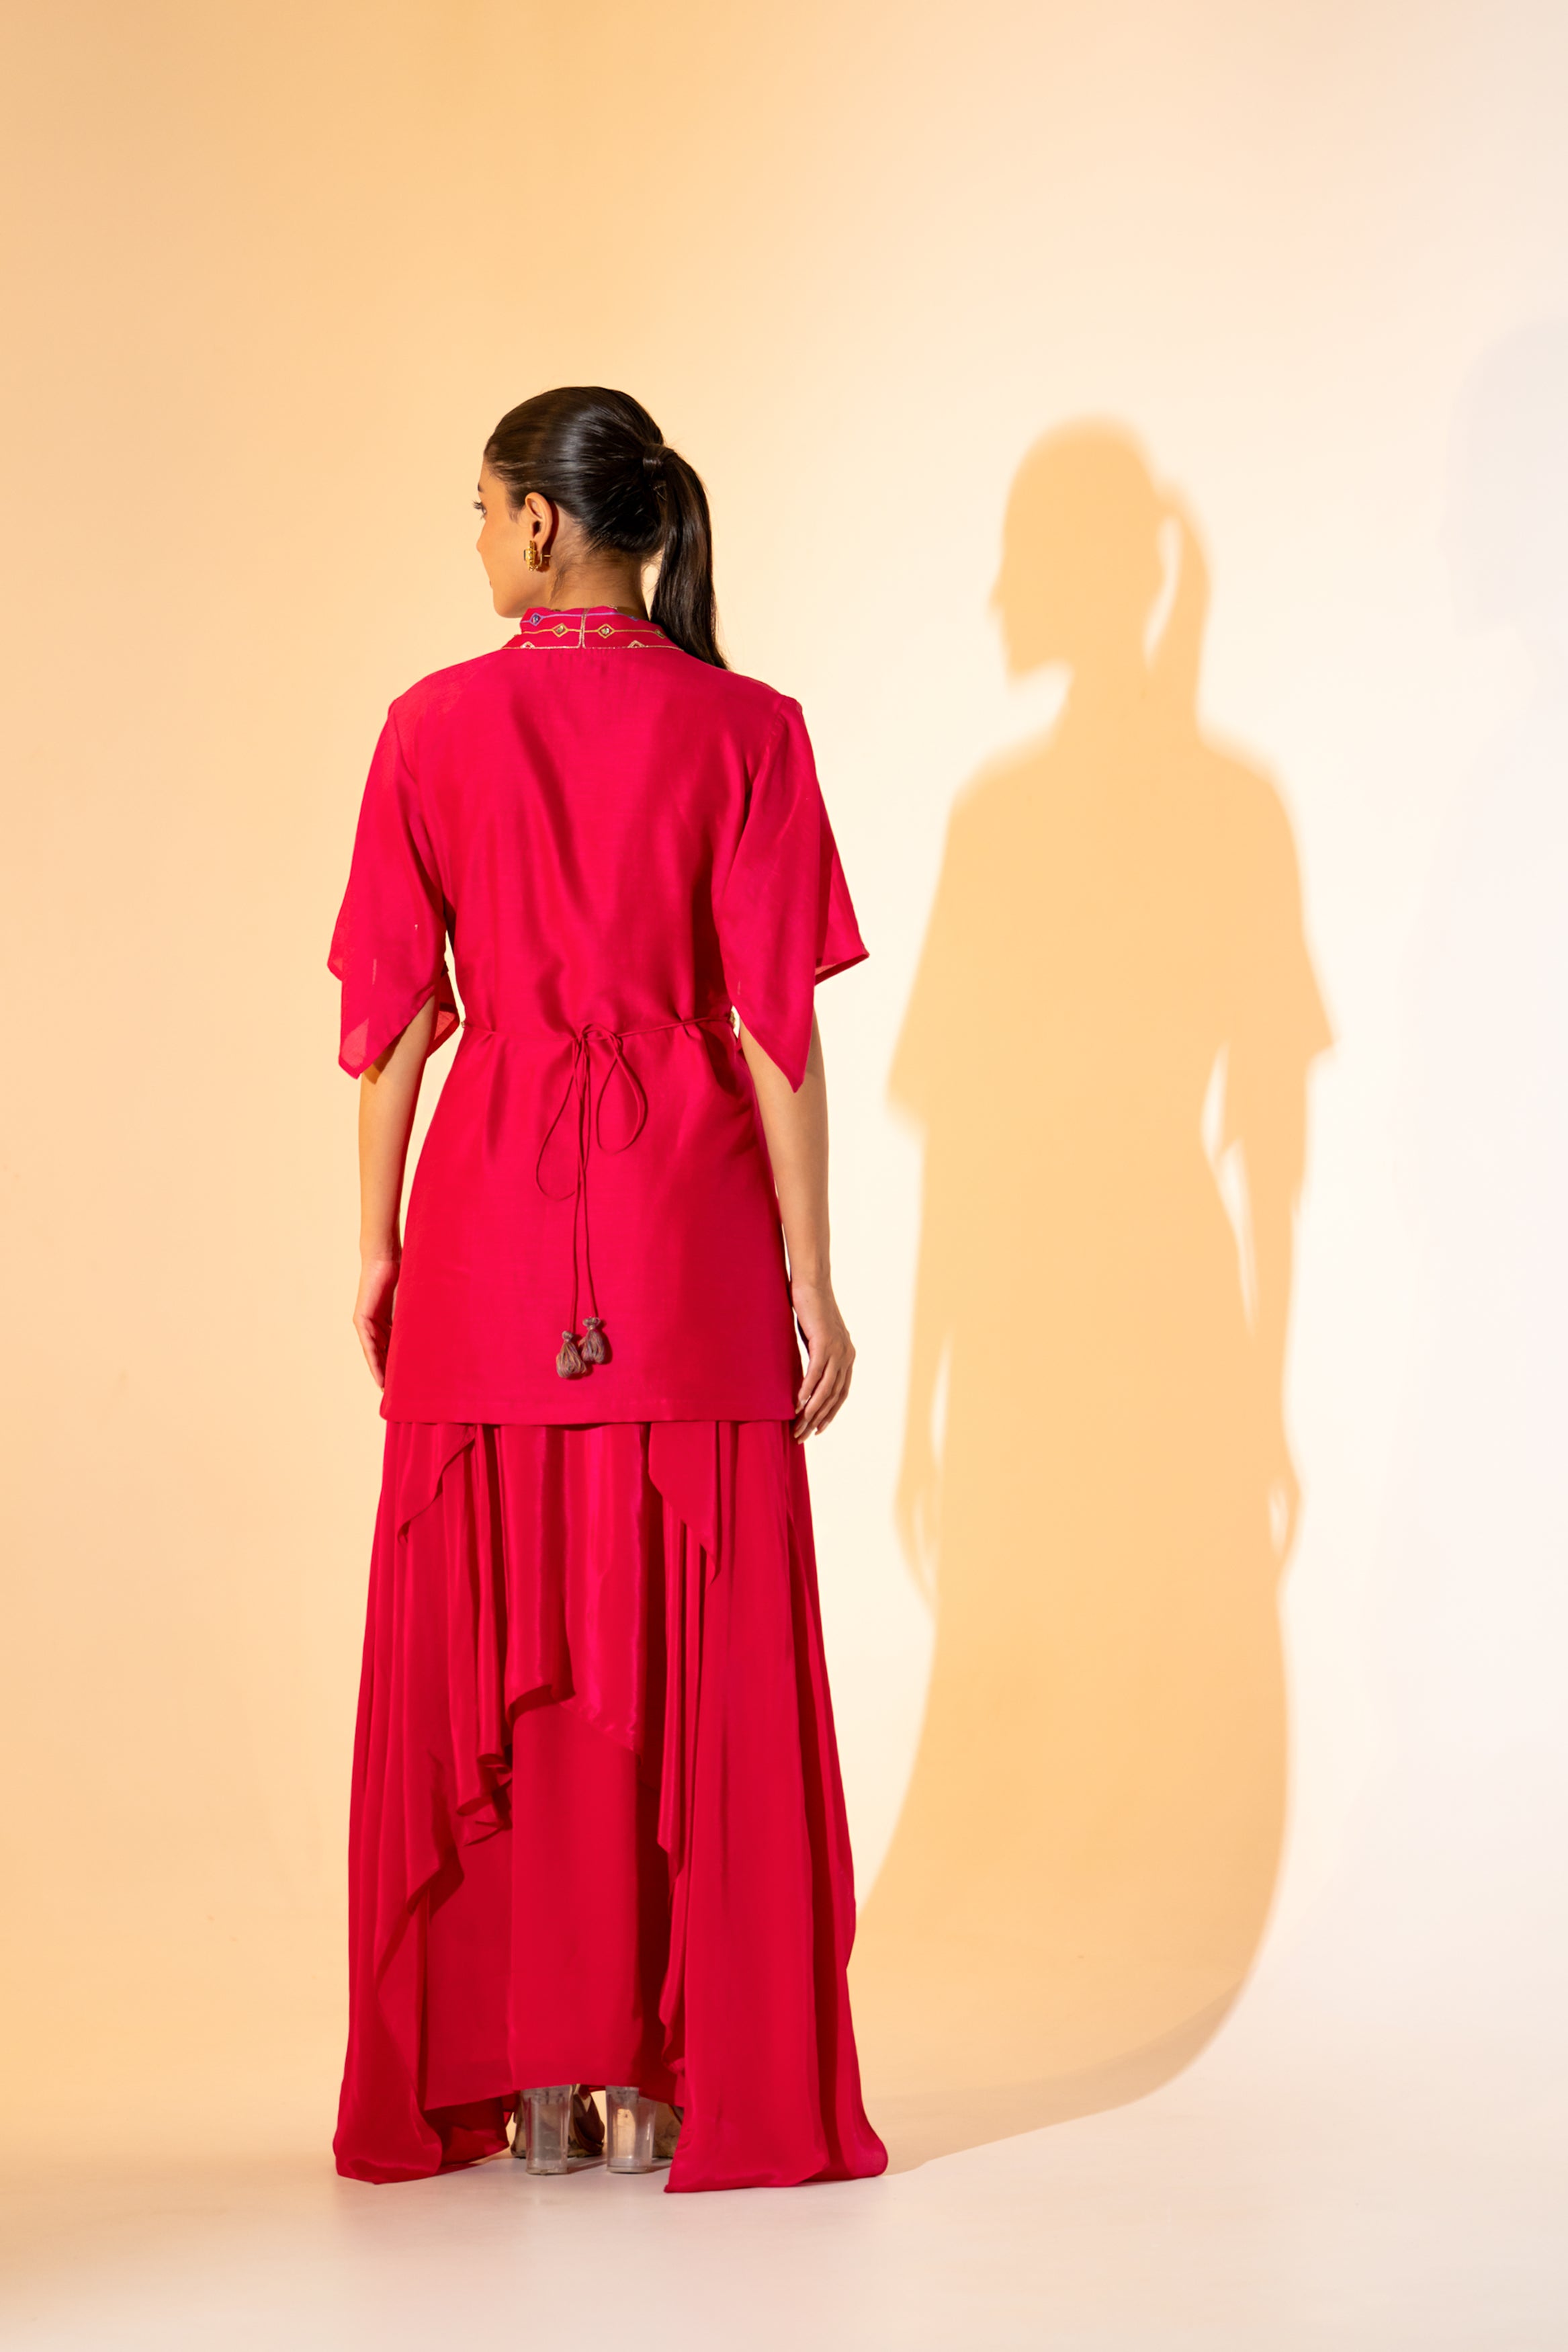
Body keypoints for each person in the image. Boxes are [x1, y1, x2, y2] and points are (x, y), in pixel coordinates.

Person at [326, 386, 886, 2193]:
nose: (477, 538)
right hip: (686, 1226)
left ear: (545, 526)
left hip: (494, 1213)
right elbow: (779, 1031)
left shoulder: (430, 727)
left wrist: (379, 1239)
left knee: (507, 1640)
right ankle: (675, 2067)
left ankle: (531, 2075)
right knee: (690, 1634)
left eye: (482, 508)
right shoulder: (749, 730)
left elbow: (395, 1018)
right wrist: (815, 1273)